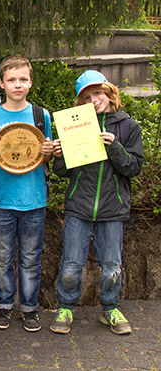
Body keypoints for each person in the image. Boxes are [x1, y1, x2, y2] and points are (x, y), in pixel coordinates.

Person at [50, 70, 143, 336]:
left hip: (112, 209)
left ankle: (110, 309)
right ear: (81, 102)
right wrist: (59, 155)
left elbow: (134, 167)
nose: (94, 100)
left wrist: (115, 147)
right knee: (71, 265)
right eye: (87, 97)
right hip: (79, 207)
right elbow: (61, 172)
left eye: (98, 93)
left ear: (109, 93)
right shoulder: (75, 125)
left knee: (112, 267)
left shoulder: (128, 126)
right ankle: (65, 307)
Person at [0, 55, 53, 332]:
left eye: (23, 79)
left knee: (31, 258)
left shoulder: (41, 116)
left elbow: (45, 156)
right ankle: (4, 306)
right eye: (11, 80)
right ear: (1, 83)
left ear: (31, 83)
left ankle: (30, 308)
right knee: (1, 258)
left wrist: (49, 152)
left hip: (34, 199)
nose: (17, 85)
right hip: (1, 199)